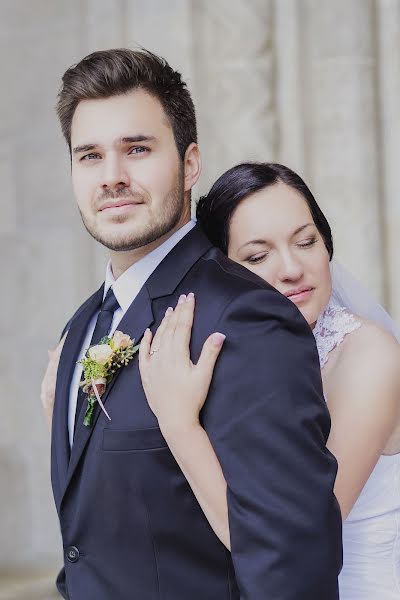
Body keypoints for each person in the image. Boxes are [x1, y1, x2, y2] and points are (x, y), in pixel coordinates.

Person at [46, 49, 342, 599]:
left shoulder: (248, 318)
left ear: (189, 164)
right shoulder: (82, 328)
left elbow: (293, 567)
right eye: (89, 155)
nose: (112, 177)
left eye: (137, 149)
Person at [138, 162, 400, 600]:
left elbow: (288, 542)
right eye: (258, 256)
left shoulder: (370, 358)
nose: (292, 268)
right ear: (220, 275)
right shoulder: (221, 361)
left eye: (306, 241)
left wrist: (180, 425)